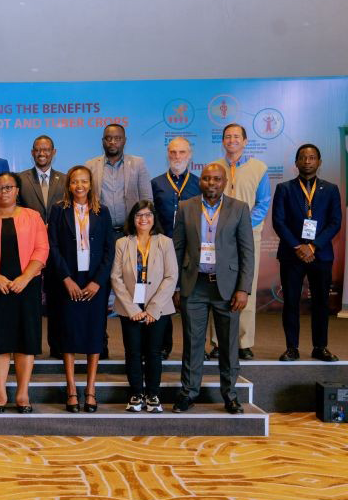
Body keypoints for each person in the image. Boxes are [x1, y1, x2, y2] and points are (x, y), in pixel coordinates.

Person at [172, 163, 254, 415]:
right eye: (206, 178)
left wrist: (243, 289)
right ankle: (189, 392)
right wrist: (176, 285)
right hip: (193, 286)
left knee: (229, 345)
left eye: (217, 179)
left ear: (225, 181)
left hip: (227, 289)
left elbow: (246, 252)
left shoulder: (239, 209)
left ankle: (230, 396)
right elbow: (177, 248)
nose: (211, 183)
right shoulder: (186, 207)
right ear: (200, 181)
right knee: (192, 343)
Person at [0, 172, 49, 413]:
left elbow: (42, 250)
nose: (4, 192)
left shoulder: (33, 217)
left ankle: (23, 393)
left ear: (16, 190)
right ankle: (0, 392)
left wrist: (25, 278)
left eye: (9, 187)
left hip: (27, 286)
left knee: (26, 340)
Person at [48, 166, 114, 413]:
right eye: (75, 181)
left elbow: (110, 250)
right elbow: (52, 246)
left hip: (94, 281)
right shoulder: (59, 210)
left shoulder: (102, 212)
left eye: (84, 181)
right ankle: (72, 389)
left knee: (94, 334)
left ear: (90, 184)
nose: (79, 186)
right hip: (69, 279)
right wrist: (66, 278)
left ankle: (91, 389)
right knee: (69, 334)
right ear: (68, 185)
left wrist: (98, 281)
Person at [85, 124, 152, 359]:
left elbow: (146, 202)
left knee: (134, 290)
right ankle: (99, 344)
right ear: (103, 141)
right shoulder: (91, 165)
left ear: (124, 140)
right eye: (108, 138)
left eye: (117, 138)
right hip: (101, 237)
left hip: (130, 235)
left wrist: (144, 235)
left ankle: (136, 347)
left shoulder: (139, 164)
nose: (112, 142)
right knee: (100, 289)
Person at [272, 144, 341, 362]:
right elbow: (279, 222)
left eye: (312, 158)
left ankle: (320, 347)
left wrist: (313, 246)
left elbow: (335, 222)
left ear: (319, 162)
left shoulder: (330, 189)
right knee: (291, 302)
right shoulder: (284, 188)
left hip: (320, 255)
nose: (307, 161)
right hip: (292, 255)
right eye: (303, 158)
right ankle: (291, 347)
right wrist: (298, 246)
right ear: (296, 163)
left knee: (320, 302)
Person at [208, 123, 271, 361]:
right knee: (218, 288)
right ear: (223, 141)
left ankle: (244, 342)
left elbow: (263, 203)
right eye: (227, 136)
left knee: (246, 288)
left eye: (236, 136)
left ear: (245, 141)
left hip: (248, 236)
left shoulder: (259, 168)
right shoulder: (215, 168)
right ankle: (217, 342)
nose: (232, 140)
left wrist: (240, 227)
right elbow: (209, 200)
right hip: (216, 237)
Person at [111, 200, 178, 412]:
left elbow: (171, 276)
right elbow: (116, 277)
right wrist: (133, 309)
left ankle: (153, 395)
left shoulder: (165, 242)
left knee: (153, 352)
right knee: (132, 351)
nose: (143, 219)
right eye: (139, 215)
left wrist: (152, 309)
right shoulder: (122, 243)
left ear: (154, 218)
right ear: (133, 218)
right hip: (130, 308)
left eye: (148, 215)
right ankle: (136, 394)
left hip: (157, 308)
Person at [150, 136, 200, 360]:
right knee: (162, 299)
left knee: (191, 301)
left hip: (190, 251)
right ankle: (163, 345)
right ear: (167, 155)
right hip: (163, 248)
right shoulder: (156, 183)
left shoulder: (199, 183)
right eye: (173, 153)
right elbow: (151, 217)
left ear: (189, 155)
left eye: (181, 153)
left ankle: (195, 348)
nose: (177, 157)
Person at [18, 135, 66, 359]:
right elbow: (15, 213)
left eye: (46, 149)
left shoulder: (65, 180)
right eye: (37, 149)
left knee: (57, 299)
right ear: (31, 152)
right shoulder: (21, 179)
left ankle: (57, 346)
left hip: (57, 248)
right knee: (31, 302)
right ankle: (31, 347)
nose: (42, 153)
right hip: (30, 249)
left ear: (54, 152)